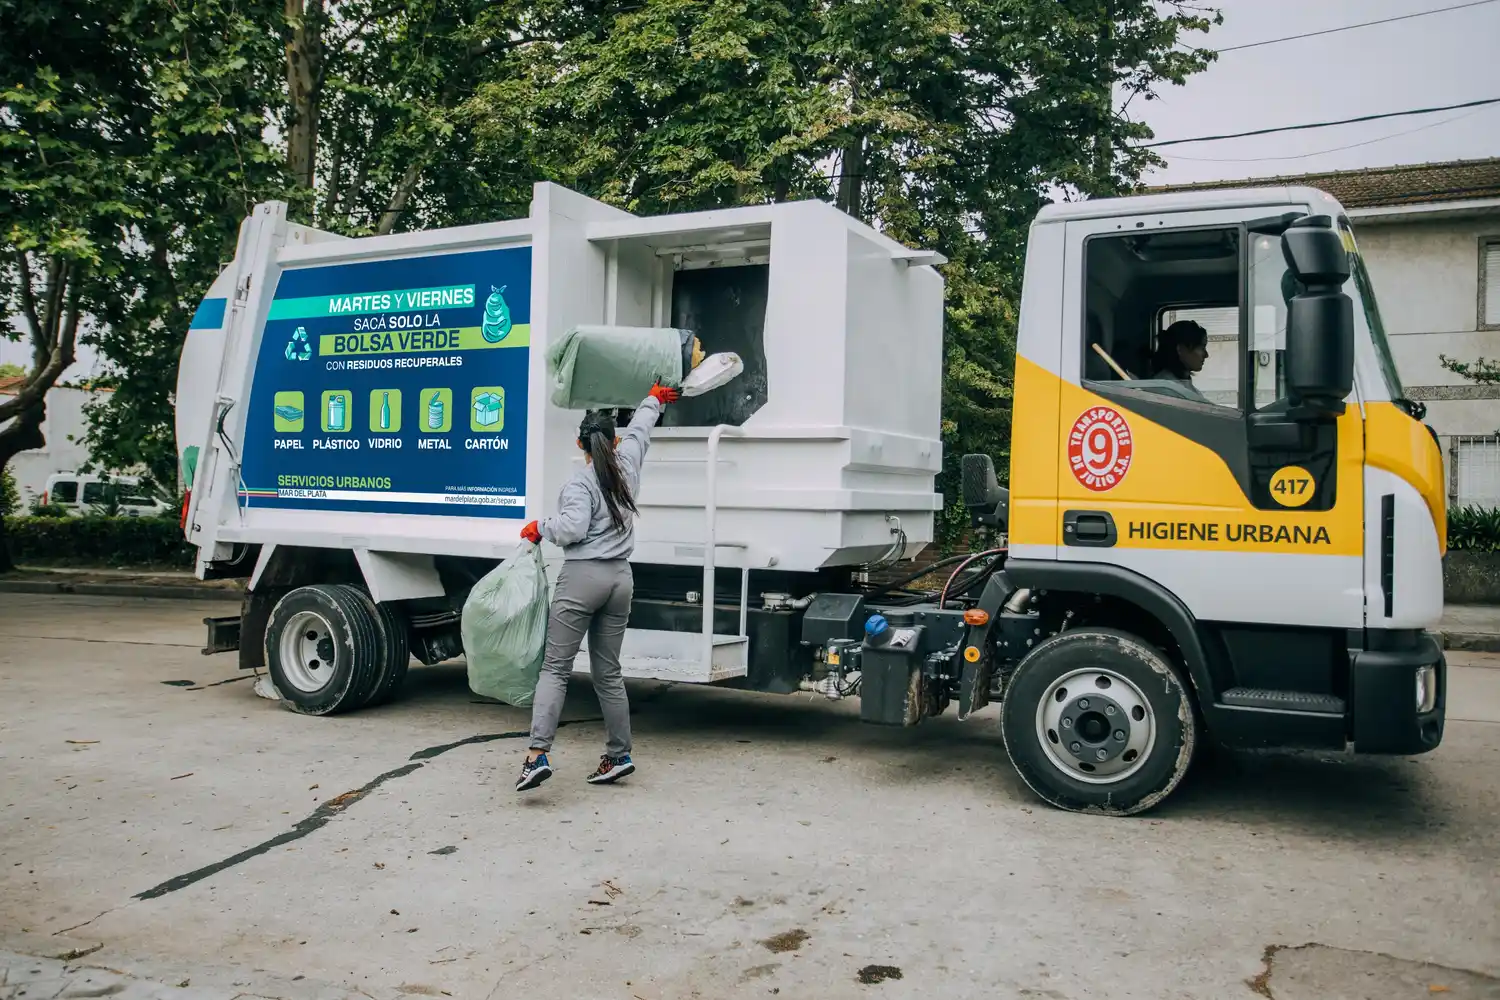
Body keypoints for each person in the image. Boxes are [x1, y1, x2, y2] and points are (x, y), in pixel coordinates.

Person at [515, 383, 679, 792]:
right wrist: (654, 398)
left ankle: (537, 756)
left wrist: (540, 528)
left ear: (580, 443)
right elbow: (641, 428)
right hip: (621, 578)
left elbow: (571, 529)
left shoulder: (580, 483)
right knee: (609, 673)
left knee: (556, 668)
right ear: (615, 440)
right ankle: (618, 756)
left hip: (583, 578)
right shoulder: (628, 463)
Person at [1148, 320, 1210, 402]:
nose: (1206, 355)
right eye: (1202, 348)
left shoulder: (1181, 384)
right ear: (1180, 349)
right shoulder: (1165, 389)